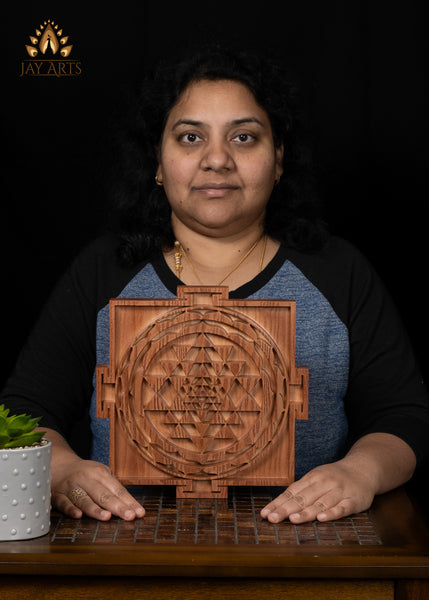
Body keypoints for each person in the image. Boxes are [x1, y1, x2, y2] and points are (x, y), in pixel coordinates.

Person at [2, 47, 428, 525]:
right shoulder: (104, 271)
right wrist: (60, 469)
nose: (218, 159)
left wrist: (361, 473)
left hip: (306, 551)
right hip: (127, 547)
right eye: (190, 137)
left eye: (244, 137)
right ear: (157, 163)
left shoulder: (338, 272)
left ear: (279, 158)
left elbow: (403, 417)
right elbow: (24, 410)